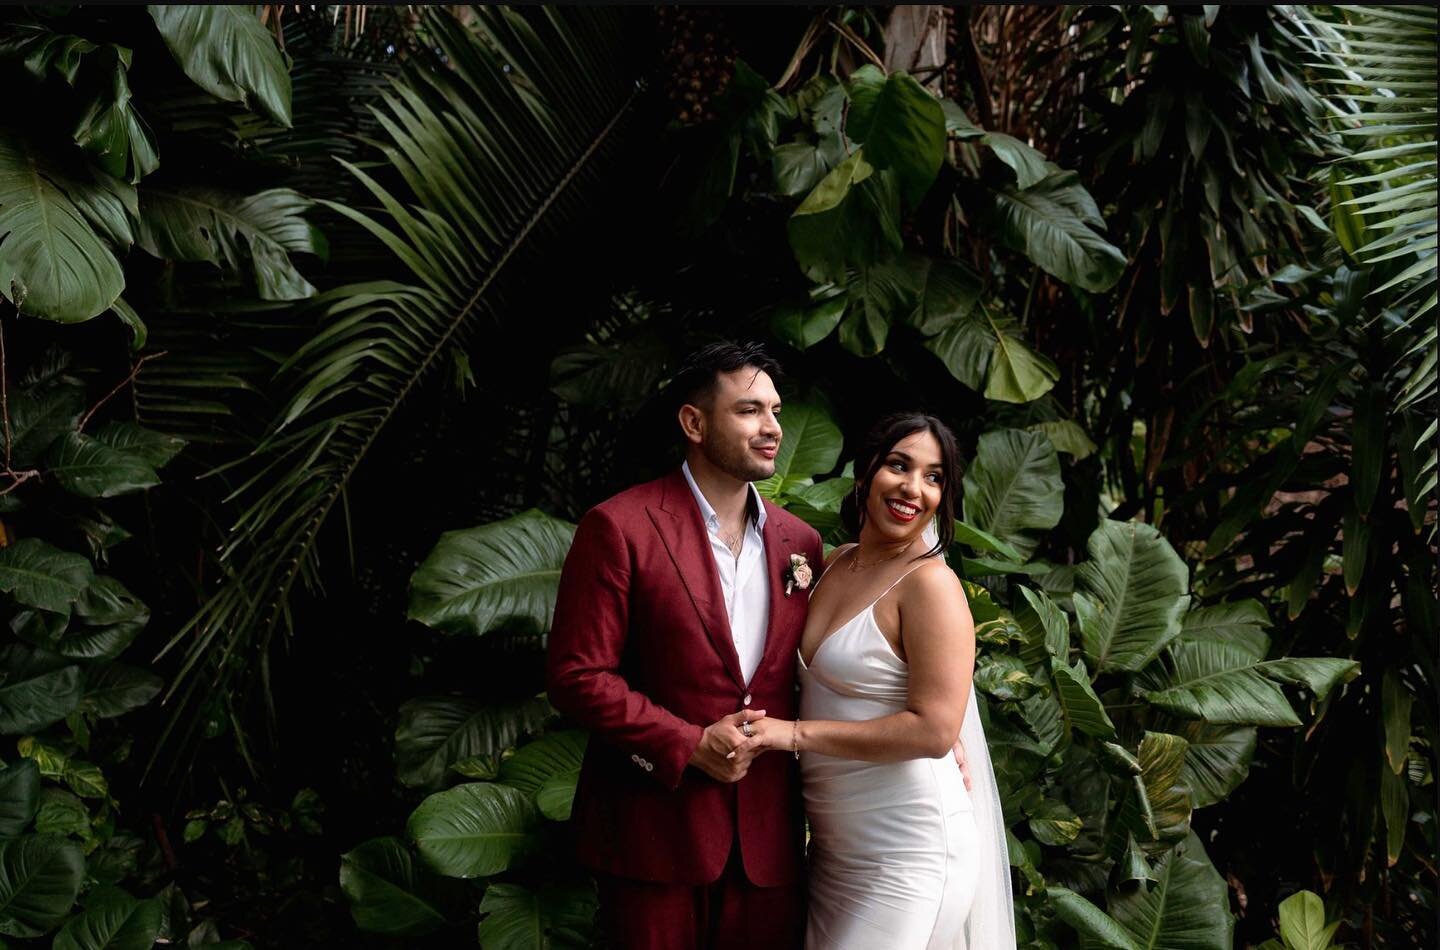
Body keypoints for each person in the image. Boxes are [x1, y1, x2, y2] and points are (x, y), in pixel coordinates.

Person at [546, 341, 823, 950]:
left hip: (768, 843)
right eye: (749, 411)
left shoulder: (800, 542)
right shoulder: (619, 527)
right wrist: (689, 743)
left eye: (775, 410)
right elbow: (577, 674)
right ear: (694, 423)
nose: (772, 427)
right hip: (653, 832)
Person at [736, 412, 1016, 950]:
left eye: (934, 477)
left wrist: (792, 735)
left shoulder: (931, 586)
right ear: (866, 471)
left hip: (910, 852)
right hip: (836, 854)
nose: (913, 488)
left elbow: (934, 731)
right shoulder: (834, 563)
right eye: (898, 465)